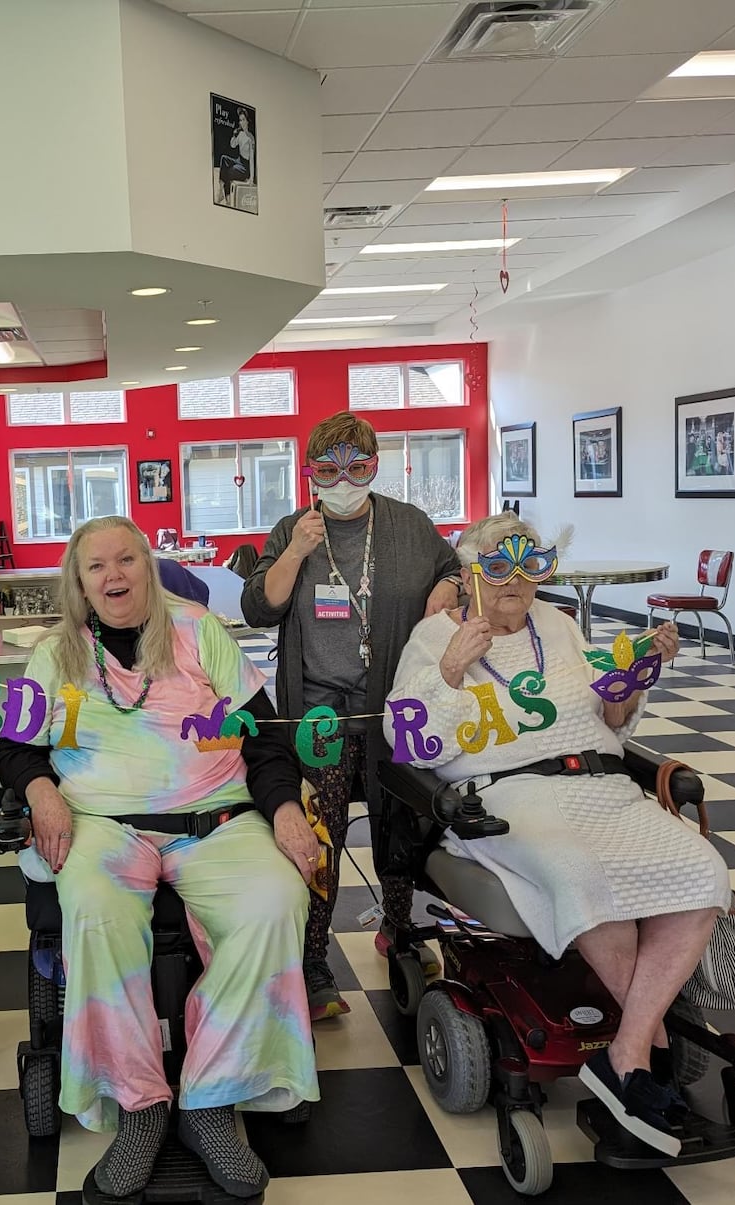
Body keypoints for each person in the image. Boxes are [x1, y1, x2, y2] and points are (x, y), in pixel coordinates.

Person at [385, 511, 730, 1156]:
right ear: (469, 574)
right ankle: (648, 1046)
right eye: (499, 568)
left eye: (530, 567)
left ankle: (626, 1053)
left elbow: (612, 721)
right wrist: (451, 672)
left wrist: (632, 680)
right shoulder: (434, 637)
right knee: (580, 872)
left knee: (700, 869)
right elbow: (406, 743)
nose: (516, 583)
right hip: (506, 796)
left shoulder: (563, 625)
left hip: (601, 785)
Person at [0, 516, 319, 1200]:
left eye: (126, 560)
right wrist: (40, 788)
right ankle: (141, 1106)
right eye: (96, 567)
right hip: (104, 824)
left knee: (277, 898)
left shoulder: (201, 630)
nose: (113, 576)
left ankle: (209, 1098)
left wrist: (286, 806)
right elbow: (15, 747)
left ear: (148, 565)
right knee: (95, 909)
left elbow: (262, 738)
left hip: (218, 819)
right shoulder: (55, 654)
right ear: (79, 583)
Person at [241, 413, 462, 1021]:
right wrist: (297, 551)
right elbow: (259, 606)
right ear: (310, 472)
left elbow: (452, 568)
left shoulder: (408, 526)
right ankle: (313, 963)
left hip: (394, 712)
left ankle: (402, 934)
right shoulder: (293, 528)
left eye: (357, 467)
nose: (343, 480)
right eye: (328, 469)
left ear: (374, 468)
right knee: (321, 835)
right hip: (319, 716)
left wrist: (449, 588)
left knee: (402, 825)